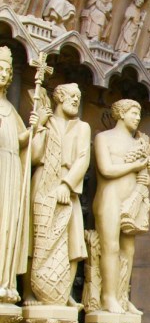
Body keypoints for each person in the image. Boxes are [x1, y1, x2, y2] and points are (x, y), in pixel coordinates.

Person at [27, 84, 90, 306]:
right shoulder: (47, 121)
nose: (76, 100)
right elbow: (34, 157)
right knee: (35, 236)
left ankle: (64, 293)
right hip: (43, 180)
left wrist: (67, 184)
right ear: (59, 98)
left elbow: (83, 158)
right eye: (72, 96)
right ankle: (28, 292)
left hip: (68, 184)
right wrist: (39, 127)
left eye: (79, 97)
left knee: (74, 239)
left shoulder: (82, 127)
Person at [92, 100, 150, 314]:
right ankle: (108, 297)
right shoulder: (104, 138)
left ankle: (122, 296)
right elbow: (106, 169)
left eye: (139, 113)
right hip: (110, 197)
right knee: (111, 246)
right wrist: (137, 165)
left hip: (131, 200)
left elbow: (143, 177)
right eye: (134, 113)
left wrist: (144, 175)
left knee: (128, 250)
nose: (137, 117)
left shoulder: (139, 144)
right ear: (120, 114)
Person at [0, 47, 31, 303]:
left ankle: (4, 281)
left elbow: (20, 141)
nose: (3, 74)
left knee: (7, 225)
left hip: (11, 170)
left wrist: (35, 126)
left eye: (6, 70)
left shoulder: (10, 109)